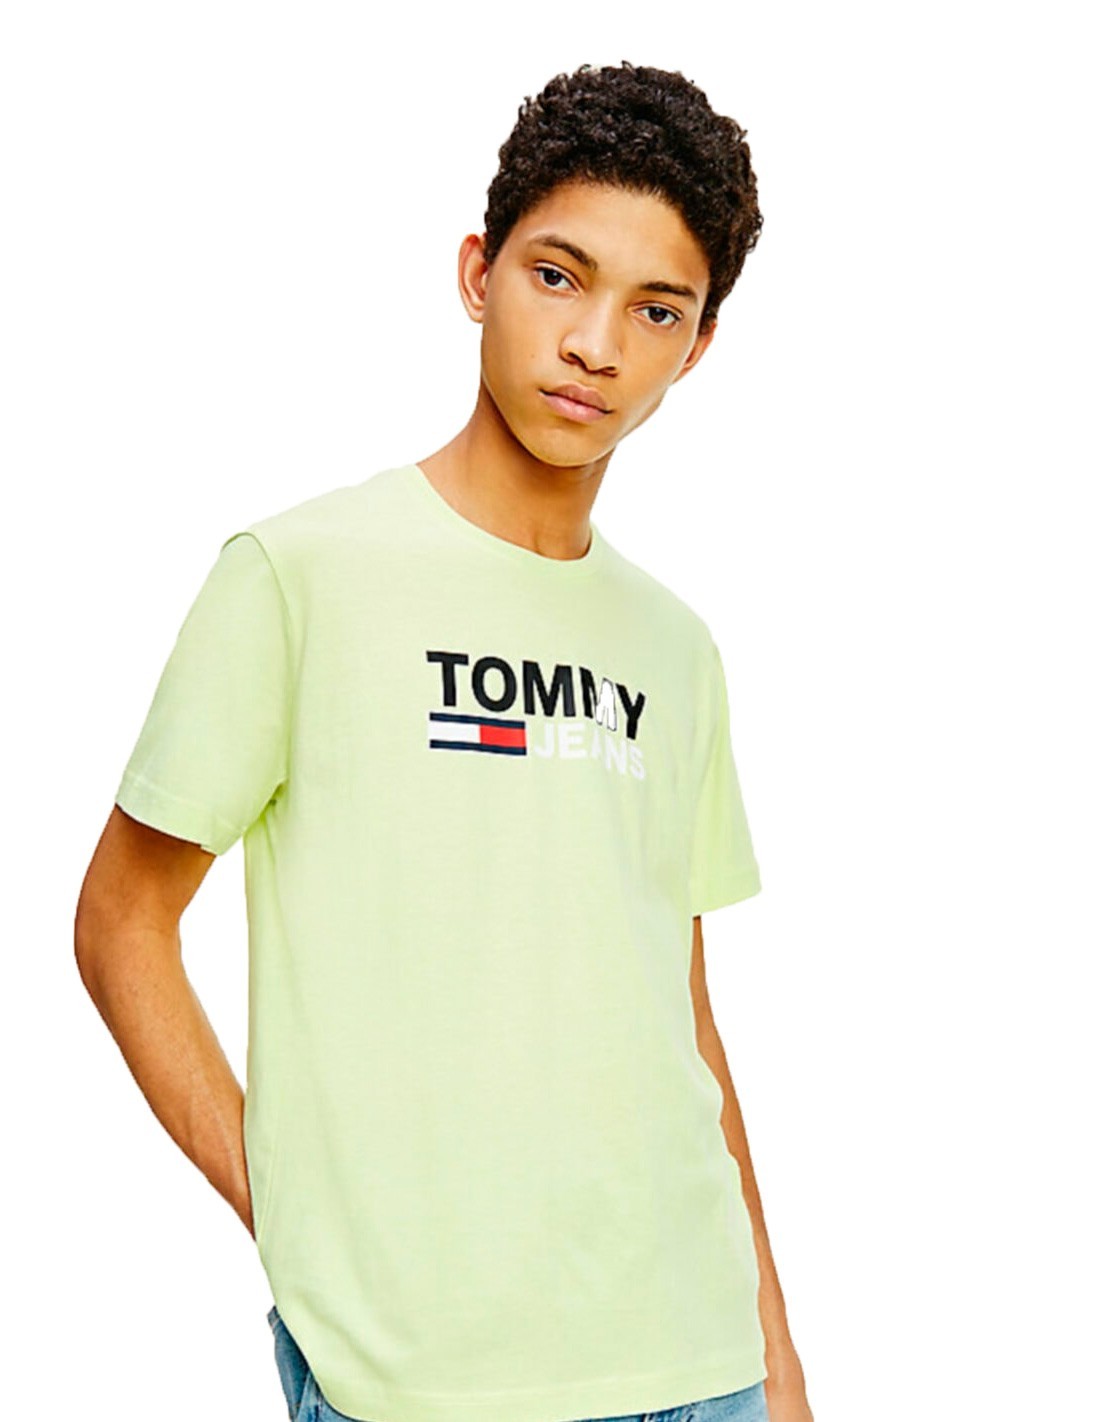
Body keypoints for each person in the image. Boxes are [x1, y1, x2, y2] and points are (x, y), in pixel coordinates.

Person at [75, 60, 813, 1422]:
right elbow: (122, 922)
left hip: (699, 1362)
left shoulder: (676, 647)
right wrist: (291, 1213)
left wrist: (777, 1360)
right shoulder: (300, 575)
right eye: (558, 276)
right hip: (421, 1379)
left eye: (656, 309)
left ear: (697, 346)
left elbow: (682, 1012)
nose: (596, 343)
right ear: (479, 272)